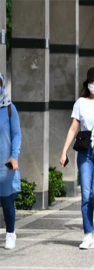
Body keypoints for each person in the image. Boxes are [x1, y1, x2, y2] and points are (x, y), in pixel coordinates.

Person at [60, 67, 94, 249]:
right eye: (91, 81)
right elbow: (73, 129)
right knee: (85, 195)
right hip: (84, 152)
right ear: (87, 83)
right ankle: (87, 235)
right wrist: (64, 151)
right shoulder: (80, 103)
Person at [0, 72, 21, 250]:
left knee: (6, 201)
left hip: (4, 163)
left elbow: (16, 134)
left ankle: (10, 233)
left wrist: (14, 156)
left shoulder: (8, 108)